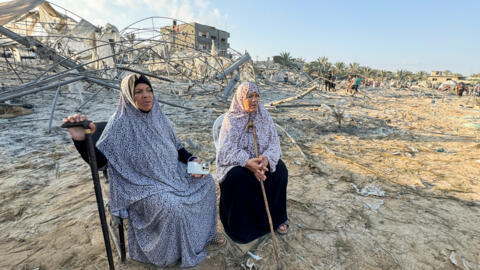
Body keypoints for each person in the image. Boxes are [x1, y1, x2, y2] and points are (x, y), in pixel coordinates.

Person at [63, 74, 225, 268]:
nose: (146, 96)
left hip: (172, 172)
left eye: (149, 91)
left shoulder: (160, 117)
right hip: (142, 184)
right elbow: (101, 163)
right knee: (173, 208)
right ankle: (175, 252)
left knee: (207, 182)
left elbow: (177, 146)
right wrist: (81, 141)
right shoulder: (119, 123)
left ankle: (203, 237)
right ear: (128, 96)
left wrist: (192, 159)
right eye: (138, 92)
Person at [216, 82, 288, 244]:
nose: (254, 100)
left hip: (261, 162)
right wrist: (247, 162)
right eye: (250, 96)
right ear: (241, 98)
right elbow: (225, 150)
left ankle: (277, 219)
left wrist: (266, 159)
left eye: (257, 96)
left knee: (281, 170)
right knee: (238, 177)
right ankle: (242, 228)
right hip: (238, 164)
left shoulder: (264, 115)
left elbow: (274, 143)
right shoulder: (231, 119)